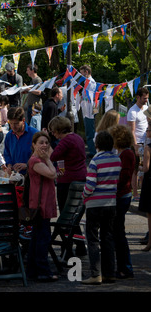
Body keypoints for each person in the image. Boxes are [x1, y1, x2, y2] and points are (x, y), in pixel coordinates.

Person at [81, 131, 121, 285]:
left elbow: (90, 185)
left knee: (92, 239)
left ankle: (95, 274)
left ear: (96, 145)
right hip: (110, 203)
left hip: (95, 204)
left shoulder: (94, 161)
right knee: (108, 238)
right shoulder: (117, 160)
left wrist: (84, 196)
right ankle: (109, 273)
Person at [49, 116, 87, 257]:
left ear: (59, 130)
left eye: (53, 131)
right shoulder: (77, 138)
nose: (53, 133)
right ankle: (80, 245)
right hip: (80, 177)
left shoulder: (65, 141)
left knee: (66, 216)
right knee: (73, 216)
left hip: (68, 181)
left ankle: (68, 247)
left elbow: (53, 157)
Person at [26, 131, 59, 282]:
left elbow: (53, 171)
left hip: (43, 203)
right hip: (40, 205)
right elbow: (52, 174)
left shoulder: (41, 159)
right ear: (33, 145)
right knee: (43, 238)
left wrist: (47, 155)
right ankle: (43, 271)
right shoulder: (35, 161)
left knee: (37, 238)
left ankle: (32, 270)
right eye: (41, 142)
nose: (44, 145)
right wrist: (48, 160)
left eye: (46, 142)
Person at [108, 124, 136, 277]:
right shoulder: (125, 153)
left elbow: (124, 176)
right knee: (117, 232)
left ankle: (125, 267)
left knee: (118, 233)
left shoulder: (126, 154)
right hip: (122, 195)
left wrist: (112, 184)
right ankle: (123, 266)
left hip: (121, 195)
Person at [127, 87, 149, 201]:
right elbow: (132, 131)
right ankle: (135, 194)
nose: (146, 100)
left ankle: (142, 192)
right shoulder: (132, 111)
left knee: (145, 168)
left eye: (147, 98)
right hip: (137, 143)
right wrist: (135, 146)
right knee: (135, 169)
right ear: (138, 97)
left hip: (146, 142)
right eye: (144, 98)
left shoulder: (146, 108)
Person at [4, 107, 39, 175]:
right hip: (15, 175)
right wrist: (9, 165)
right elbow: (7, 153)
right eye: (11, 123)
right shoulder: (9, 135)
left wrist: (27, 165)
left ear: (23, 120)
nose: (13, 126)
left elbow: (41, 156)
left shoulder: (34, 134)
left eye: (16, 123)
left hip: (32, 175)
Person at [138, 121, 151, 252]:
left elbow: (146, 168)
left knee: (150, 214)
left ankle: (150, 242)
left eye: (148, 130)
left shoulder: (148, 147)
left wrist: (139, 166)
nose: (146, 132)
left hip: (150, 180)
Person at [79, 65, 97, 157]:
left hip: (89, 110)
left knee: (90, 131)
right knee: (88, 130)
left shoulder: (91, 82)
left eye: (82, 73)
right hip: (87, 109)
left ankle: (93, 151)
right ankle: (92, 150)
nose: (81, 75)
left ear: (86, 72)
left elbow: (92, 98)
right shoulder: (87, 82)